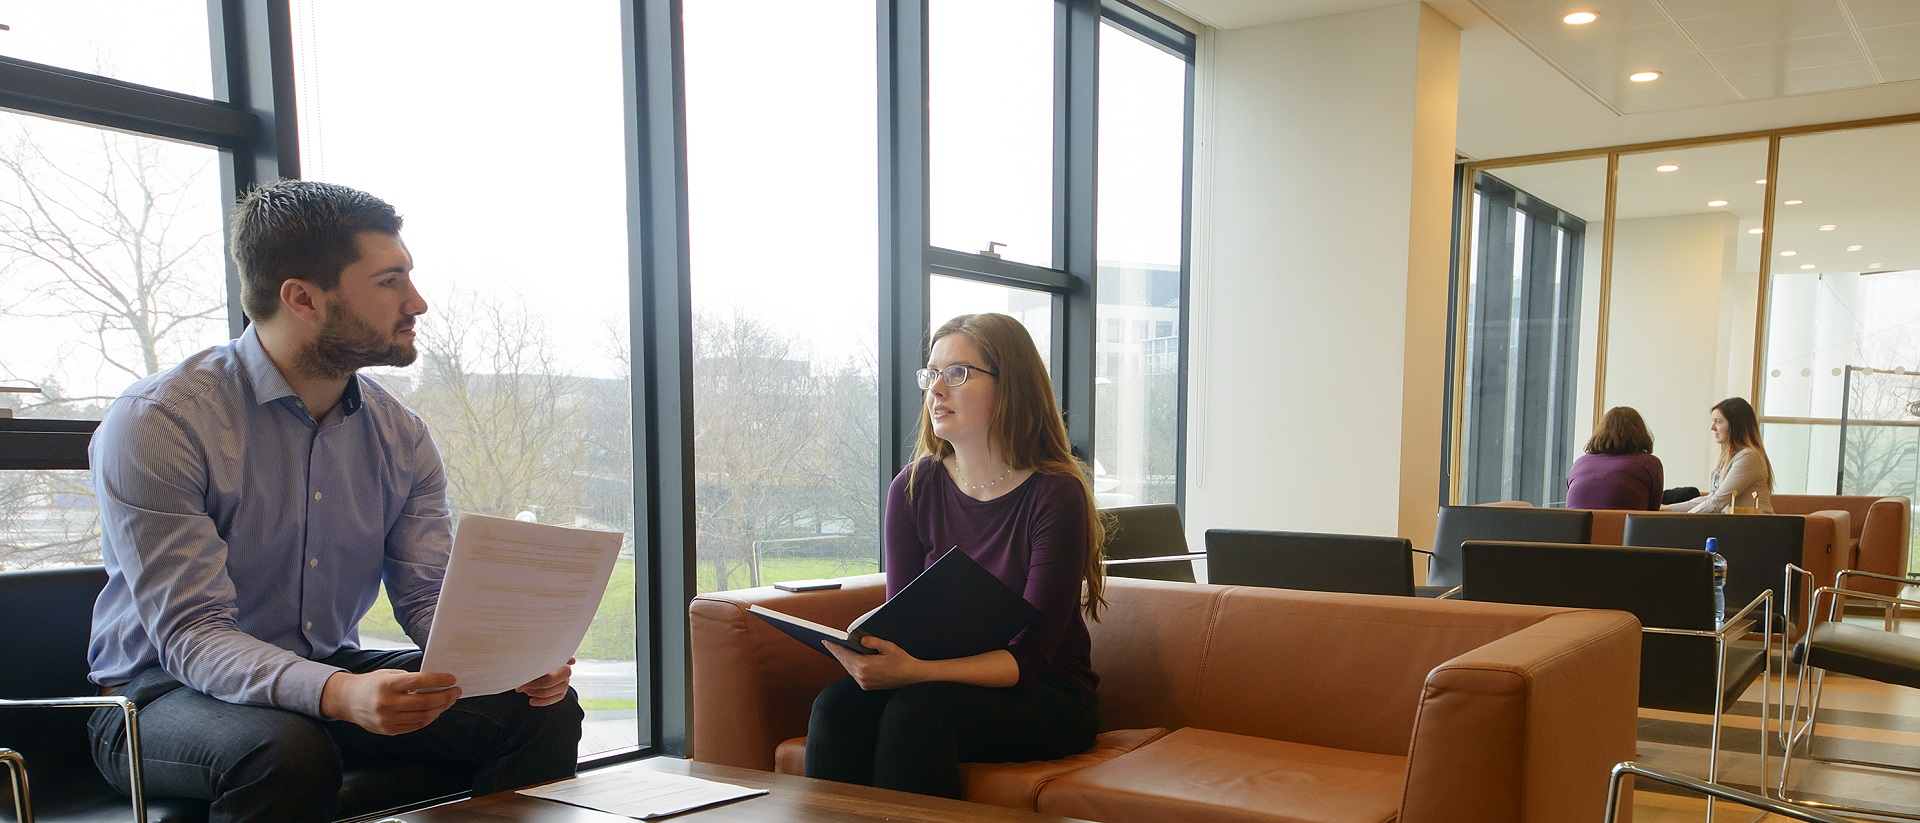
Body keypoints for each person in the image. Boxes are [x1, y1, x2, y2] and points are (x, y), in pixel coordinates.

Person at [86, 180, 582, 822]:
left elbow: (428, 593)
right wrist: (339, 693)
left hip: (322, 665)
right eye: (389, 281)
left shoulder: (399, 434)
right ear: (302, 298)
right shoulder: (161, 422)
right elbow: (193, 636)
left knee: (531, 705)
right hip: (153, 697)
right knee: (285, 749)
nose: (418, 302)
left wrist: (511, 659)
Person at [804, 312, 1106, 799]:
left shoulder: (1056, 495)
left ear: (1011, 387)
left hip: (1046, 693)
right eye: (932, 375)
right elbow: (906, 623)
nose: (936, 390)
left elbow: (1029, 658)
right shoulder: (913, 488)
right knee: (836, 705)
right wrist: (875, 651)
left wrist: (914, 672)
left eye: (958, 373)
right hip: (937, 681)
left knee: (918, 713)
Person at [1664, 396, 1775, 514]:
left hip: (1754, 528)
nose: (1712, 427)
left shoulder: (1749, 457)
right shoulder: (1728, 456)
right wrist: (1667, 509)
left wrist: (1682, 520)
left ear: (1735, 425)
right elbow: (1711, 498)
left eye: (1718, 422)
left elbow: (1717, 502)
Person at [1565, 406, 1664, 510]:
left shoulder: (1579, 464)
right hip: (1624, 526)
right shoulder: (1650, 463)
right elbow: (1653, 512)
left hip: (1578, 526)